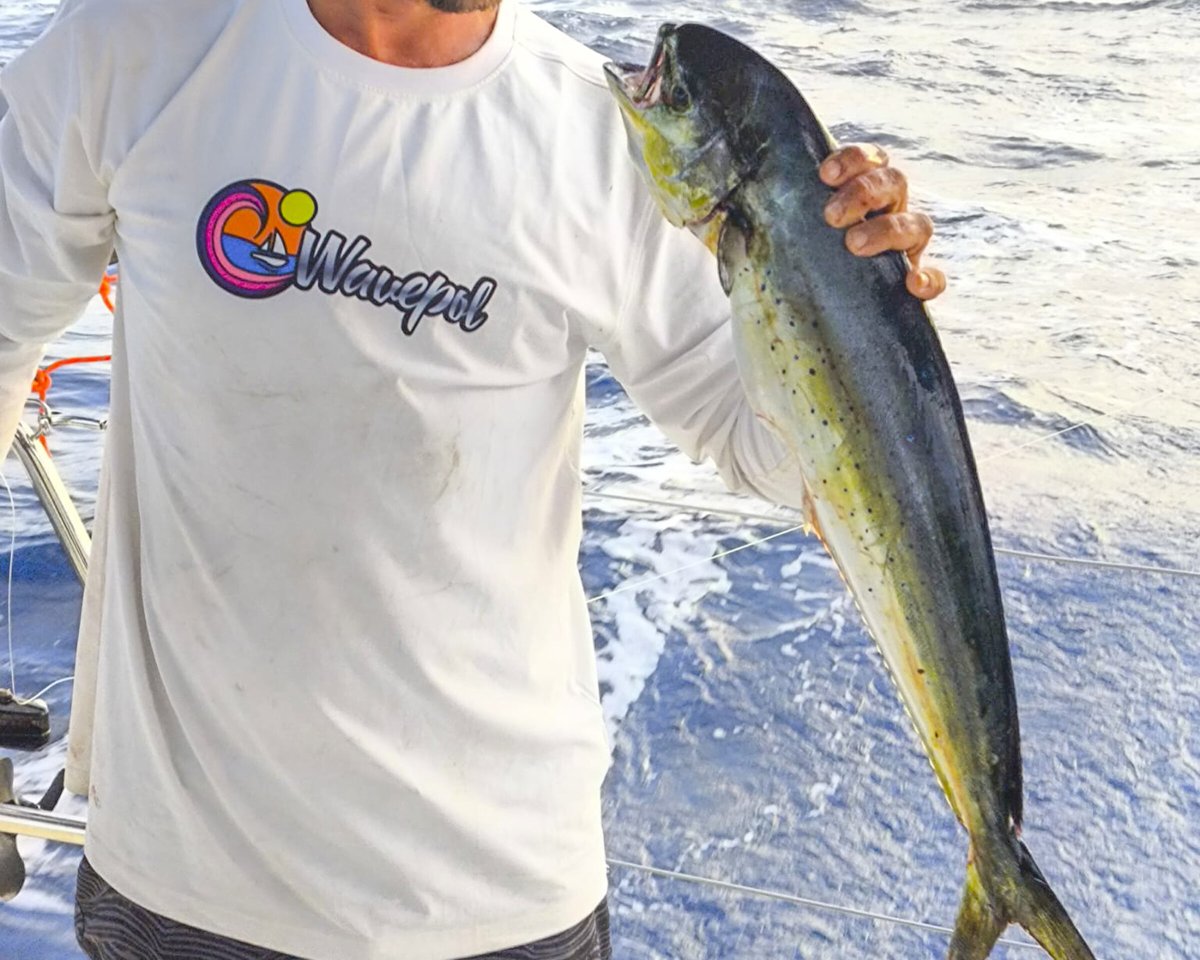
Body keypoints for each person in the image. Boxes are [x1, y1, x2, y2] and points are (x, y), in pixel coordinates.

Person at [0, 0, 944, 957]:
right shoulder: (136, 48)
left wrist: (851, 303)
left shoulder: (598, 134)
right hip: (188, 884)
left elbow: (774, 453)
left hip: (501, 894)